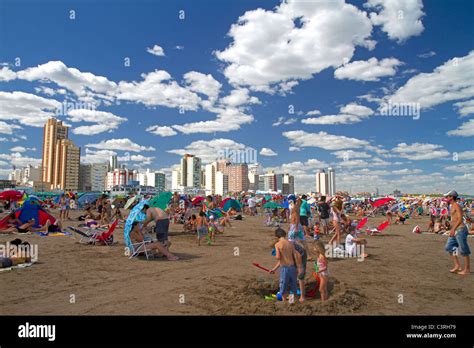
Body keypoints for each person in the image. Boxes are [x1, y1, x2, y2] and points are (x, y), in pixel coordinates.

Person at [269, 228, 303, 303]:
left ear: (277, 236)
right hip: (292, 267)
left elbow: (278, 258)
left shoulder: (277, 244)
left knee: (283, 285)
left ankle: (284, 302)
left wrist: (275, 256)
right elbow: (296, 255)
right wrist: (299, 267)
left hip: (284, 269)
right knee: (292, 285)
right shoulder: (290, 243)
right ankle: (291, 301)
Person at [444, 190, 470, 275]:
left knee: (464, 249)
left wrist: (453, 229)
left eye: (447, 196)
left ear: (452, 197)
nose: (446, 198)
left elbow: (460, 219)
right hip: (455, 229)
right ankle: (457, 265)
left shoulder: (457, 205)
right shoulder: (451, 206)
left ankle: (467, 269)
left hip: (460, 229)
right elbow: (454, 218)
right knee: (449, 247)